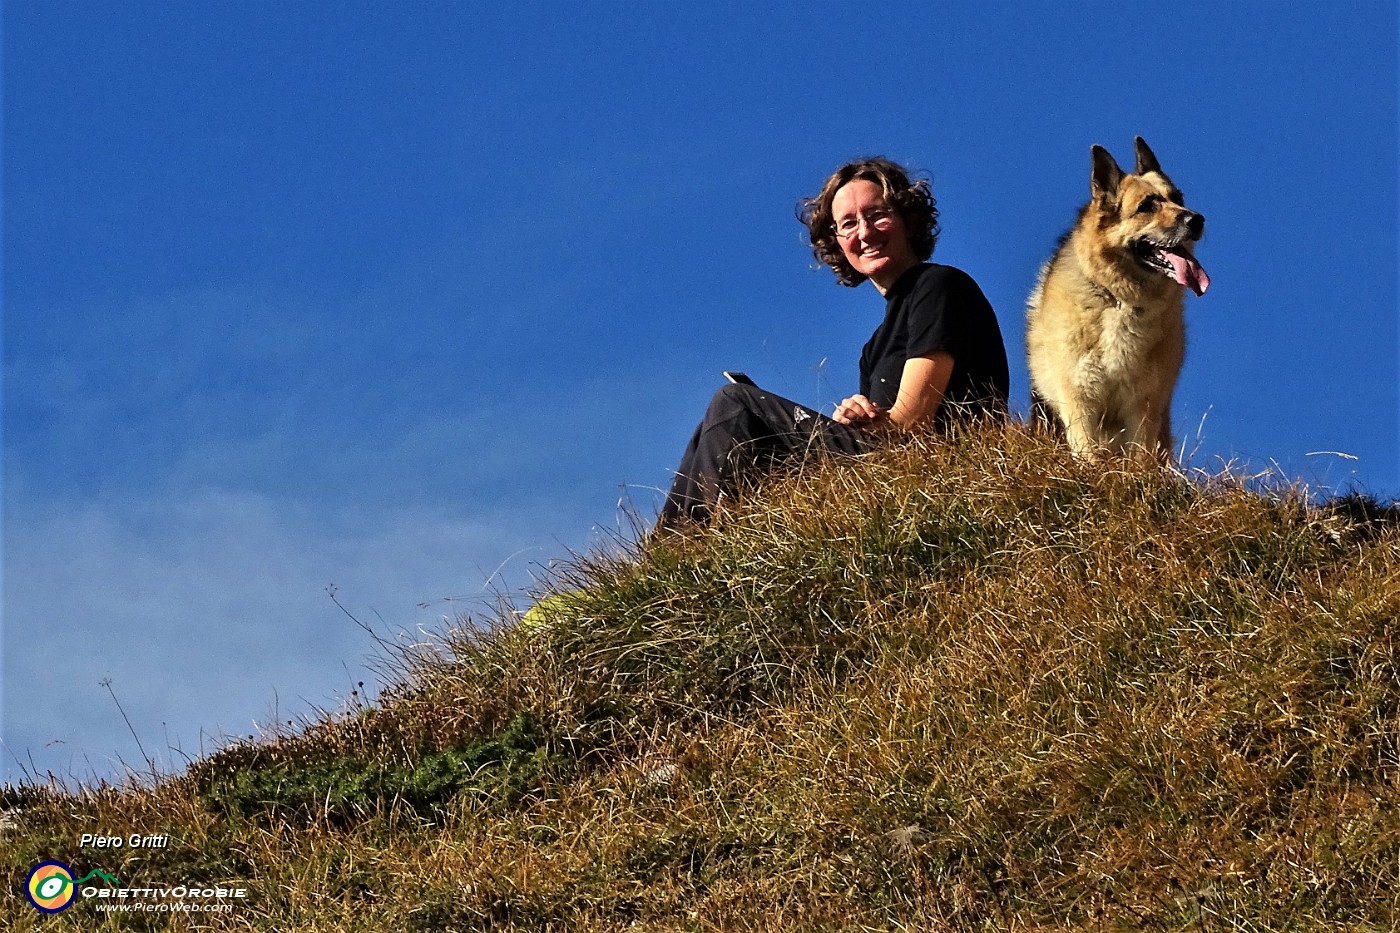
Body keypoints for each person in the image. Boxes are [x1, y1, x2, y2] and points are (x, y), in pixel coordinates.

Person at [654, 156, 1010, 533]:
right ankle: (686, 546)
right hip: (888, 476)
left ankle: (679, 547)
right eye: (849, 224)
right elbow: (882, 434)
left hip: (941, 472)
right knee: (718, 430)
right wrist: (857, 422)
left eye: (877, 214)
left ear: (908, 219)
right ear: (838, 242)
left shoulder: (937, 287)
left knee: (735, 402)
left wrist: (872, 428)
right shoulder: (873, 348)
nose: (866, 232)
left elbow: (911, 425)